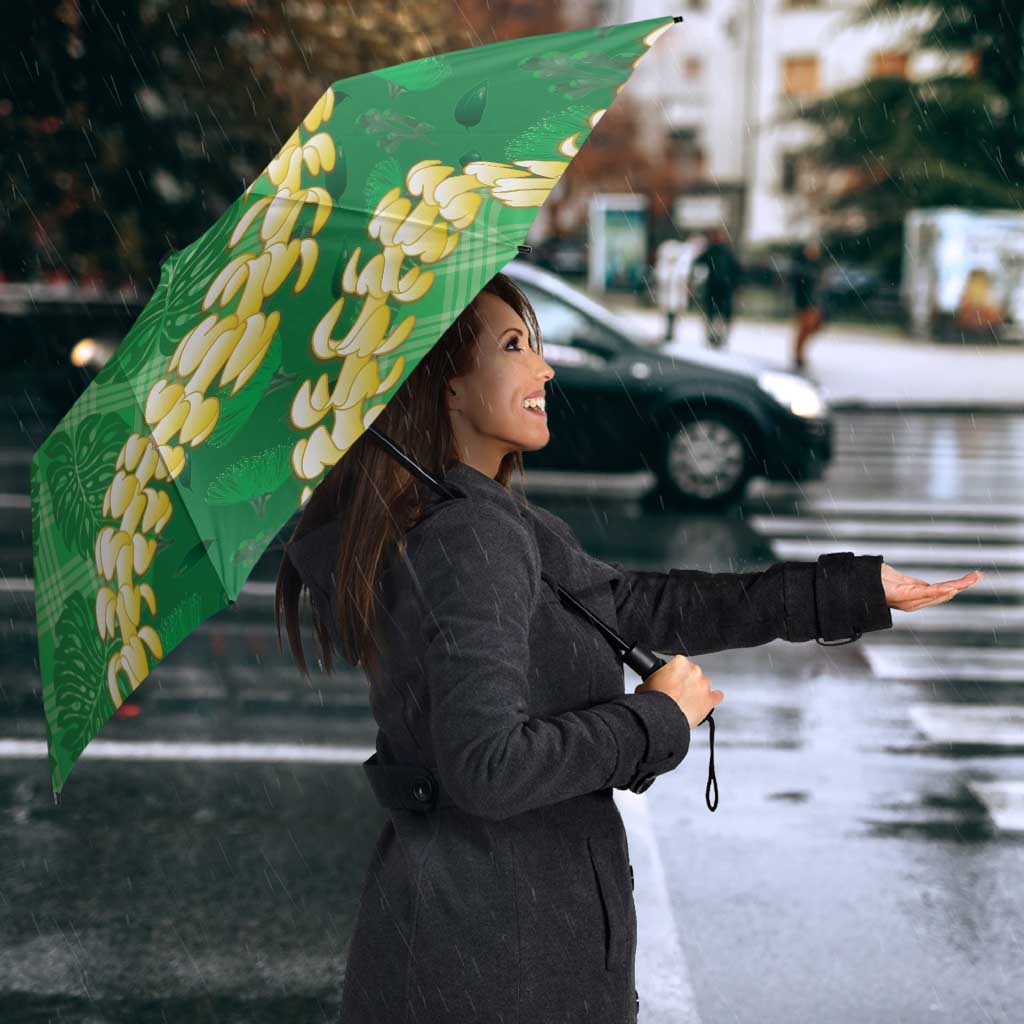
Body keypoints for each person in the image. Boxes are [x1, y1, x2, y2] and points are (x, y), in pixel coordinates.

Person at [276, 271, 981, 1024]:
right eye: (514, 346)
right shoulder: (469, 536)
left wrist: (849, 590)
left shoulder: (480, 519)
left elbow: (643, 605)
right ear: (446, 386)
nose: (544, 368)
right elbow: (487, 767)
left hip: (480, 943)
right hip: (496, 963)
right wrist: (655, 719)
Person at [692, 226, 742, 349]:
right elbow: (698, 264)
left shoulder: (725, 252)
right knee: (713, 314)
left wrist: (735, 284)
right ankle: (713, 337)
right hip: (715, 288)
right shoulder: (712, 251)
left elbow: (736, 270)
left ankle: (719, 337)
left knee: (720, 315)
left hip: (723, 288)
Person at [790, 239, 826, 370]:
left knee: (812, 328)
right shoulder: (802, 267)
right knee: (804, 329)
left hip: (814, 303)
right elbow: (799, 286)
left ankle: (799, 354)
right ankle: (798, 355)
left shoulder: (817, 266)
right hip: (805, 303)